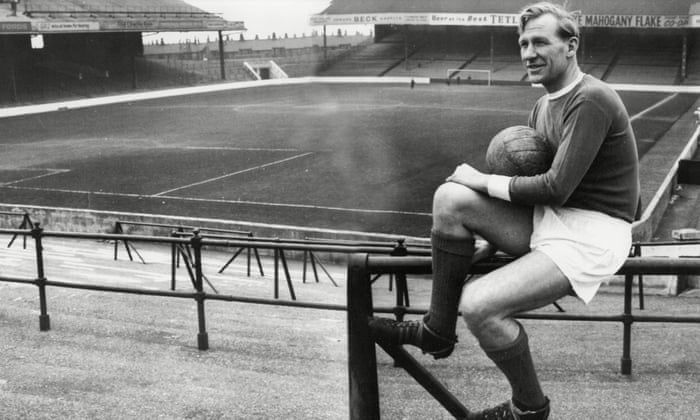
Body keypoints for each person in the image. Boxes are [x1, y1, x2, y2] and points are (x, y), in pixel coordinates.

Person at [369, 2, 640, 419]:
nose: (529, 52)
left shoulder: (592, 99)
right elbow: (541, 193)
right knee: (449, 198)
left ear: (571, 46)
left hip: (593, 234)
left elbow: (556, 186)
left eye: (541, 41)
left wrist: (481, 179)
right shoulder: (541, 105)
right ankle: (437, 330)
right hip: (550, 221)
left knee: (480, 305)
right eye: (523, 43)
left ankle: (529, 408)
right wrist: (487, 242)